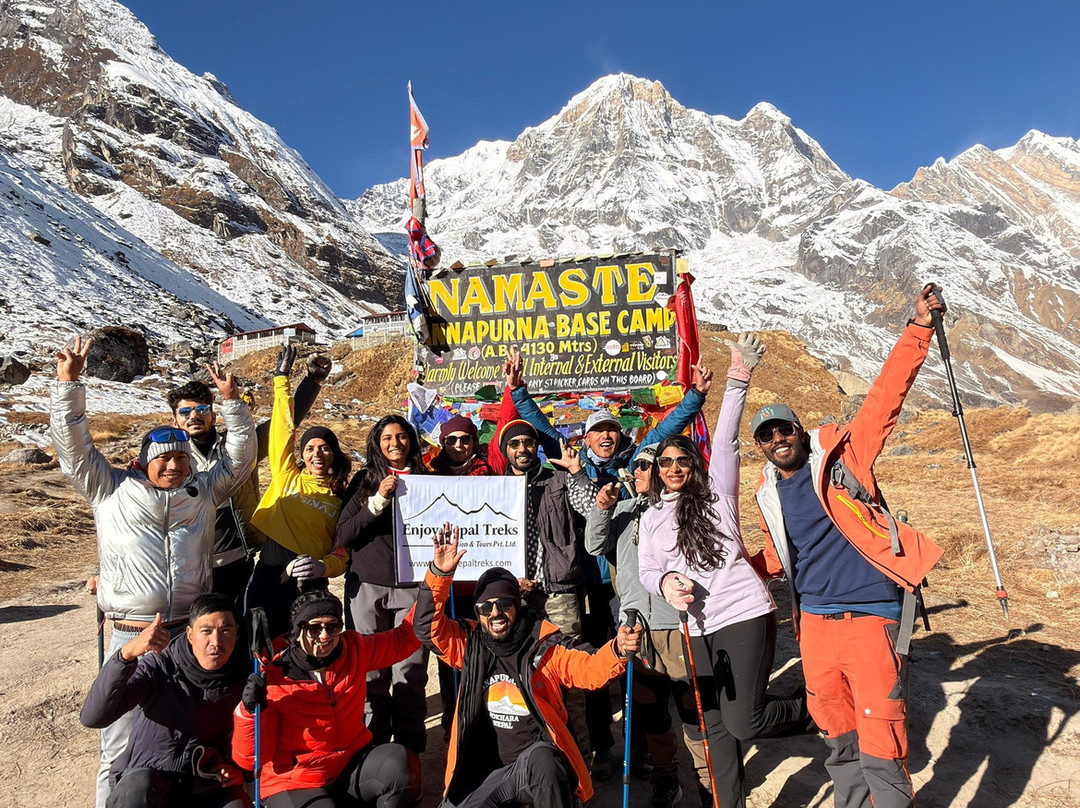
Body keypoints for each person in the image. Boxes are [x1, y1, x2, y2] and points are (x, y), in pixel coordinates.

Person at [752, 285, 946, 808]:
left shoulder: (844, 462)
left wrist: (919, 328)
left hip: (870, 613)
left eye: (783, 430)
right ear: (763, 447)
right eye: (766, 436)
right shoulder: (768, 493)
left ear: (798, 430)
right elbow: (777, 557)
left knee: (881, 733)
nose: (777, 440)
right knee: (835, 730)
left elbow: (885, 399)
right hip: (813, 623)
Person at [51, 338, 256, 808]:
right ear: (145, 458)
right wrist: (68, 386)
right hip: (130, 635)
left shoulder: (201, 493)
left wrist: (232, 403)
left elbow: (241, 458)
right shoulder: (111, 488)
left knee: (188, 734)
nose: (173, 464)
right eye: (163, 456)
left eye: (181, 457)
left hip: (189, 636)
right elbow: (75, 449)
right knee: (118, 743)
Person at [638, 334, 810, 808]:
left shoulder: (717, 494)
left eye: (682, 459)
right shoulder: (651, 517)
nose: (674, 466)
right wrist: (665, 584)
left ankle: (814, 709)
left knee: (743, 722)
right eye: (665, 461)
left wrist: (738, 377)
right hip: (694, 627)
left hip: (742, 614)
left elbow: (727, 436)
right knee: (714, 725)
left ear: (695, 466)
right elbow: (649, 569)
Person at [413, 526, 643, 808]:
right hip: (484, 772)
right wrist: (439, 573)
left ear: (517, 605)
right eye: (485, 607)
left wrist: (617, 649)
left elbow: (591, 668)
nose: (495, 613)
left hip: (532, 768)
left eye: (503, 603)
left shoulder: (544, 644)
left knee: (545, 759)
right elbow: (426, 628)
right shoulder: (469, 644)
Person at [586, 441, 705, 808]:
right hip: (636, 627)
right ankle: (666, 779)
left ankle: (708, 781)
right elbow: (594, 546)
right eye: (636, 465)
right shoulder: (622, 510)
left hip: (679, 624)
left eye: (646, 466)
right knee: (652, 713)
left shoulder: (685, 510)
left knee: (692, 713)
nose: (638, 471)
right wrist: (602, 510)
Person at [167, 347, 331, 605]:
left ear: (213, 413)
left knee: (242, 630)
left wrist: (312, 381)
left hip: (239, 559)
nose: (194, 416)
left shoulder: (241, 446)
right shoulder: (168, 464)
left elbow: (283, 425)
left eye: (201, 409)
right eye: (185, 413)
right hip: (189, 565)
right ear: (174, 421)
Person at [233, 589, 422, 808]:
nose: (324, 636)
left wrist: (436, 579)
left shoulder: (352, 649)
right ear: (298, 630)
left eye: (333, 627)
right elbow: (250, 760)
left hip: (347, 766)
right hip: (295, 781)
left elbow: (406, 637)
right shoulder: (273, 677)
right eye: (314, 628)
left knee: (400, 764)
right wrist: (249, 712)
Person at [80, 594, 251, 808]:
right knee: (138, 788)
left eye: (225, 630)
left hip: (203, 782)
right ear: (190, 634)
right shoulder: (159, 667)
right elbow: (93, 717)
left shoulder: (244, 678)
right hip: (148, 779)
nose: (216, 642)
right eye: (206, 631)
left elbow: (255, 736)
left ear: (236, 632)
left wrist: (240, 770)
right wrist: (127, 654)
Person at [334, 415, 429, 755]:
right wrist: (377, 500)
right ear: (376, 443)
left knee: (411, 670)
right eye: (387, 437)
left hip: (413, 586)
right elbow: (344, 534)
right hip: (368, 586)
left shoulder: (427, 480)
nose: (395, 444)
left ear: (412, 442)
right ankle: (373, 746)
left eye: (402, 436)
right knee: (371, 670)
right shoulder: (364, 481)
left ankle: (410, 749)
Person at [246, 350, 351, 638]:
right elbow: (282, 429)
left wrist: (321, 567)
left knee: (307, 653)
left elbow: (342, 553)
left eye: (325, 448)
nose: (317, 454)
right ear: (302, 456)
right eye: (310, 448)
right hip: (269, 574)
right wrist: (282, 380)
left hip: (311, 585)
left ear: (334, 455)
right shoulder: (286, 475)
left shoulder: (342, 499)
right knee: (260, 643)